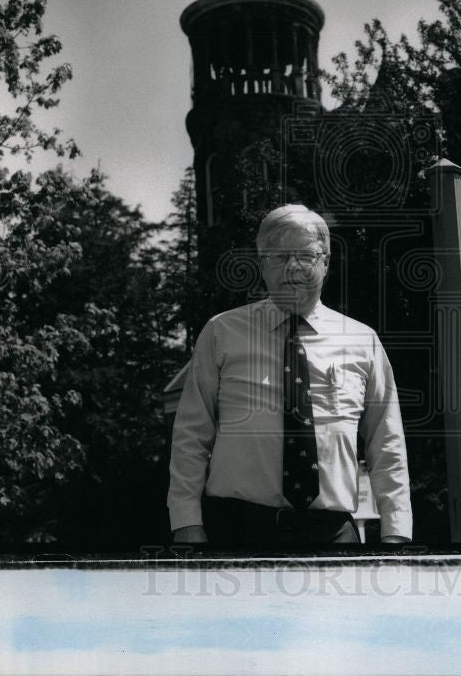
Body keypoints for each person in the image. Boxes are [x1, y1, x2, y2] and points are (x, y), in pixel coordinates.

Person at [168, 204, 412, 546]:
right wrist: (186, 522)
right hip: (237, 534)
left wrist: (396, 531)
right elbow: (191, 436)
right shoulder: (221, 332)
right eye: (280, 256)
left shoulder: (362, 341)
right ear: (262, 265)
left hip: (332, 537)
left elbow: (386, 443)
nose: (293, 267)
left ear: (326, 262)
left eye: (306, 255)